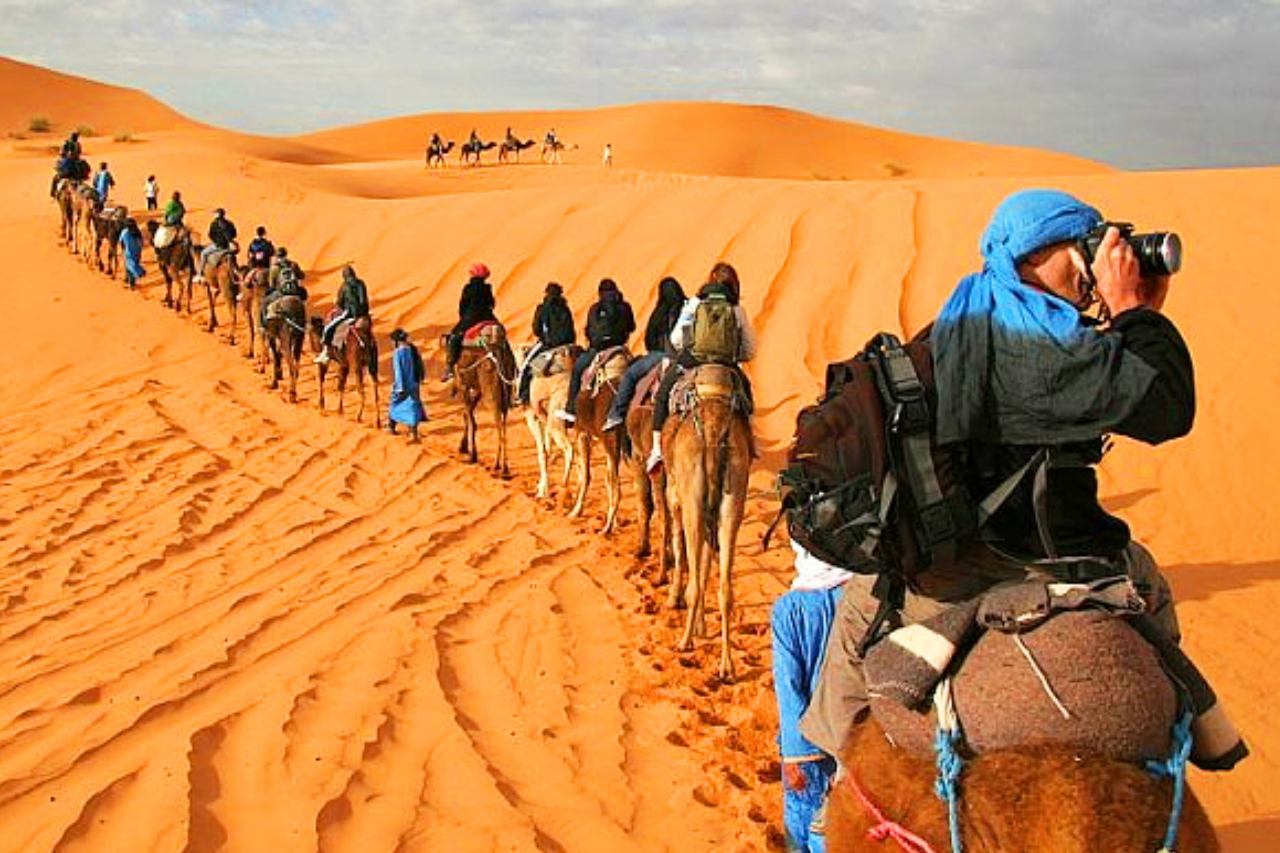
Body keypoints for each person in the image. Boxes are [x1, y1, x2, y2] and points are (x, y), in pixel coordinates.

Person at [798, 188, 1195, 761]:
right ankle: (1188, 726)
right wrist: (1136, 316)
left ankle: (826, 774)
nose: (1095, 263)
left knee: (861, 613)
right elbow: (1167, 404)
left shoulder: (957, 325)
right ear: (1032, 257)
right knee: (1149, 586)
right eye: (1081, 246)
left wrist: (1136, 314)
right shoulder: (1050, 346)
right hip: (1062, 562)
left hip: (947, 572)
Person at [773, 542, 853, 853]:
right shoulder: (865, 602)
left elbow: (789, 687)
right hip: (850, 744)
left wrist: (794, 757)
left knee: (802, 829)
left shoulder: (788, 610)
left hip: (806, 746)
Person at [646, 262, 758, 472]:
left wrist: (693, 347)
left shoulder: (695, 303)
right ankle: (751, 444)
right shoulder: (736, 309)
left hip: (692, 360)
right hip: (726, 364)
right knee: (747, 398)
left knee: (662, 396)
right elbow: (750, 350)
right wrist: (732, 355)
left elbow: (677, 339)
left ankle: (656, 451)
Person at [602, 276, 686, 431]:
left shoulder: (660, 312)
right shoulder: (689, 310)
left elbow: (649, 338)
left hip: (661, 354)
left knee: (630, 375)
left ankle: (616, 413)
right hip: (686, 356)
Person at [557, 278, 636, 423]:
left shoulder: (595, 308)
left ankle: (571, 410)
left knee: (577, 371)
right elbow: (632, 327)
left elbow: (588, 331)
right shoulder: (625, 306)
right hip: (619, 347)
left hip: (598, 350)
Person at [518, 282, 577, 405]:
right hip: (567, 346)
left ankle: (523, 396)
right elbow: (571, 330)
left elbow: (536, 329)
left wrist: (544, 336)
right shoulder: (565, 308)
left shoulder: (542, 308)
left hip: (547, 347)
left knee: (527, 368)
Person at [443, 263, 498, 381]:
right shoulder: (488, 288)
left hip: (471, 318)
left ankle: (450, 366)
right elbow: (492, 304)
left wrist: (464, 319)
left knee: (454, 336)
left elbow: (463, 307)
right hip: (488, 318)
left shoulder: (468, 288)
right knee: (500, 334)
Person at [315, 265, 372, 364]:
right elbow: (363, 300)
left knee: (329, 328)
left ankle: (326, 352)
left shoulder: (344, 286)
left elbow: (340, 303)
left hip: (349, 313)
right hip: (363, 313)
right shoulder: (361, 283)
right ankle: (371, 348)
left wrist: (339, 307)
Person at [388, 328, 427, 441]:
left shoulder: (398, 353)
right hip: (414, 383)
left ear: (396, 341)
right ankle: (413, 432)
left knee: (395, 404)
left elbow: (398, 371)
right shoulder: (413, 349)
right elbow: (420, 365)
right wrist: (420, 378)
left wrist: (399, 387)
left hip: (403, 385)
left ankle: (391, 427)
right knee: (413, 406)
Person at [196, 207, 237, 282]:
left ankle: (200, 274)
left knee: (203, 253)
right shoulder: (229, 223)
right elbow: (234, 234)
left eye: (215, 214)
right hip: (229, 246)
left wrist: (216, 241)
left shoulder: (214, 224)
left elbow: (211, 235)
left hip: (219, 246)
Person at [118, 218, 145, 289]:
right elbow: (141, 243)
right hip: (137, 253)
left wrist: (123, 250)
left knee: (129, 268)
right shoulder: (137, 232)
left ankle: (131, 284)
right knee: (133, 265)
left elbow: (121, 242)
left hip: (128, 253)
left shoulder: (124, 232)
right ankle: (130, 281)